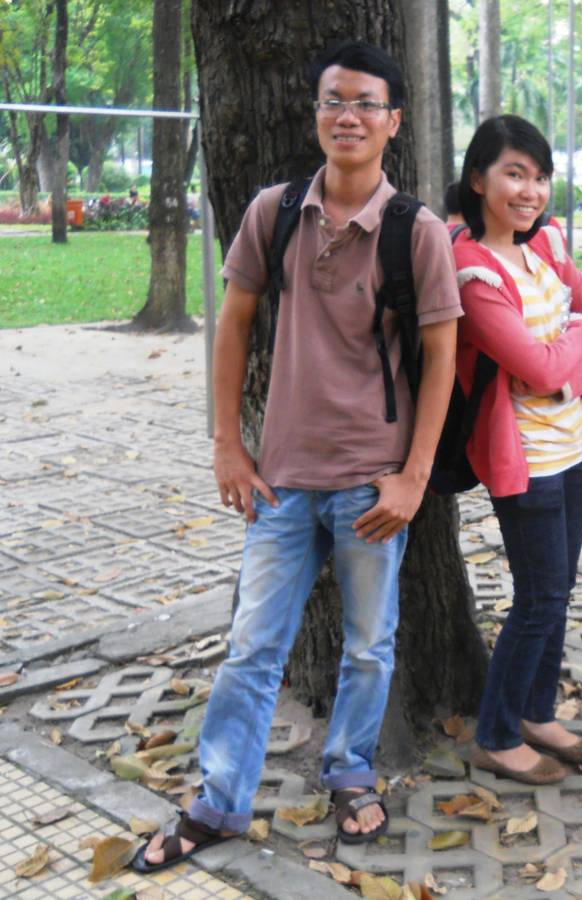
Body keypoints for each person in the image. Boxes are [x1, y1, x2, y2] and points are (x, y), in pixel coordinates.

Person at [134, 41, 462, 871]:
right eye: (331, 100)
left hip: (371, 486)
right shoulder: (274, 211)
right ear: (316, 113)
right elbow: (235, 323)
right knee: (252, 647)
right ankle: (219, 801)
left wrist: (415, 476)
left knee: (368, 643)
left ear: (393, 121)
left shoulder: (415, 232)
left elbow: (443, 358)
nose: (346, 115)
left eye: (364, 103)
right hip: (278, 483)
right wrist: (226, 446)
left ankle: (350, 772)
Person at [453, 115, 582, 784]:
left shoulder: (548, 243)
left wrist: (566, 364)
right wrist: (567, 355)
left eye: (539, 176)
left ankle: (535, 710)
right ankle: (496, 734)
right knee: (539, 598)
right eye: (514, 173)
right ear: (479, 179)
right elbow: (539, 367)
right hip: (524, 458)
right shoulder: (473, 270)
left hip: (577, 448)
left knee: (557, 591)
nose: (529, 190)